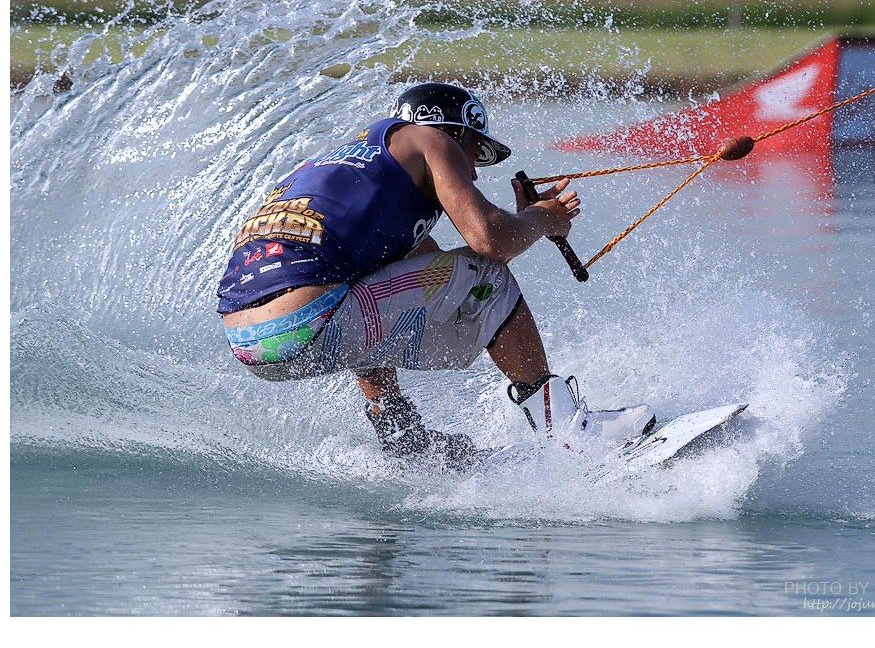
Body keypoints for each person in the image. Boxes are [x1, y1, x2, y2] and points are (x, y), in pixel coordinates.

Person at [216, 82, 654, 469]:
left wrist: (520, 225)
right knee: (487, 277)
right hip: (309, 316)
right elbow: (488, 248)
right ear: (454, 133)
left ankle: (402, 438)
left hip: (253, 345)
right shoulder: (430, 137)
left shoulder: (353, 172)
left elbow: (436, 288)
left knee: (425, 283)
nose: (475, 171)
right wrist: (542, 220)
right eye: (475, 152)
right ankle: (569, 431)